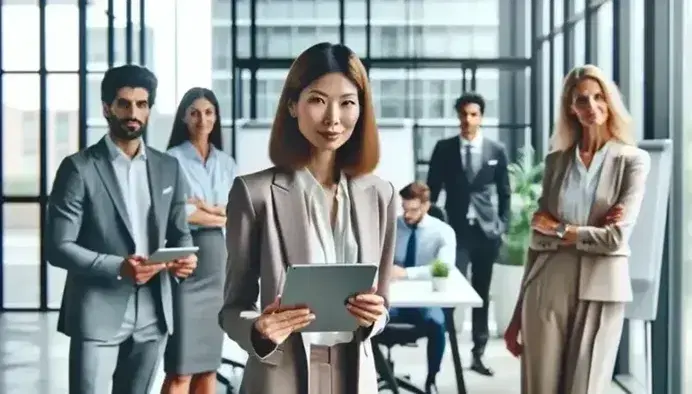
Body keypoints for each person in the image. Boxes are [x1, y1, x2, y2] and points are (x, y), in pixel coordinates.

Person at [218, 42, 396, 394]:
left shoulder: (381, 195)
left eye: (347, 102)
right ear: (292, 106)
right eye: (317, 100)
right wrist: (258, 328)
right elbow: (232, 307)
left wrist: (376, 317)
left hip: (355, 374)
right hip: (281, 374)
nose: (333, 118)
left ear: (361, 109)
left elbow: (383, 302)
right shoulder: (254, 194)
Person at [45, 65, 198, 394]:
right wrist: (119, 267)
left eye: (142, 104)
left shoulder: (168, 167)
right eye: (124, 103)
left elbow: (180, 232)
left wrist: (185, 259)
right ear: (106, 108)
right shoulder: (78, 168)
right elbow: (58, 246)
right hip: (97, 313)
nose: (133, 113)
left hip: (154, 314)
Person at [504, 64, 650, 394]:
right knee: (540, 387)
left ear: (611, 102)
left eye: (600, 97)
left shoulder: (633, 160)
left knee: (584, 388)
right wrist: (515, 319)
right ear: (571, 107)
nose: (592, 107)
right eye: (582, 99)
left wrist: (559, 230)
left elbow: (614, 240)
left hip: (602, 288)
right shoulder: (557, 162)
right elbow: (535, 240)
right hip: (547, 283)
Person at [426, 91, 511, 375]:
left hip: (486, 233)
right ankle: (442, 350)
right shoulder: (444, 148)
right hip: (456, 232)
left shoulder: (496, 150)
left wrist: (501, 225)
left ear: (481, 117)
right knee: (448, 290)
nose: (467, 119)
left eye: (473, 114)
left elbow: (505, 193)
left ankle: (478, 353)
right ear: (458, 116)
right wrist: (433, 228)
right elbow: (432, 192)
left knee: (482, 293)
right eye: (463, 114)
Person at [161, 87, 237, 394]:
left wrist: (201, 208)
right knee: (180, 368)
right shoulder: (170, 160)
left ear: (216, 117)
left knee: (208, 367)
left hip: (218, 263)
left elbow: (236, 213)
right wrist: (216, 212)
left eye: (208, 112)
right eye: (194, 112)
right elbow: (175, 213)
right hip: (186, 262)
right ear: (183, 117)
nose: (202, 119)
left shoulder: (226, 162)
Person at [388, 182, 456, 394]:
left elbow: (444, 267)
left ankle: (431, 380)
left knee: (437, 324)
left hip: (424, 299)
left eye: (413, 209)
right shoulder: (391, 227)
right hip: (393, 298)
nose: (407, 215)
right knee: (365, 319)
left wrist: (407, 273)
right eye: (404, 209)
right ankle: (376, 374)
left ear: (426, 206)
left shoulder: (442, 231)